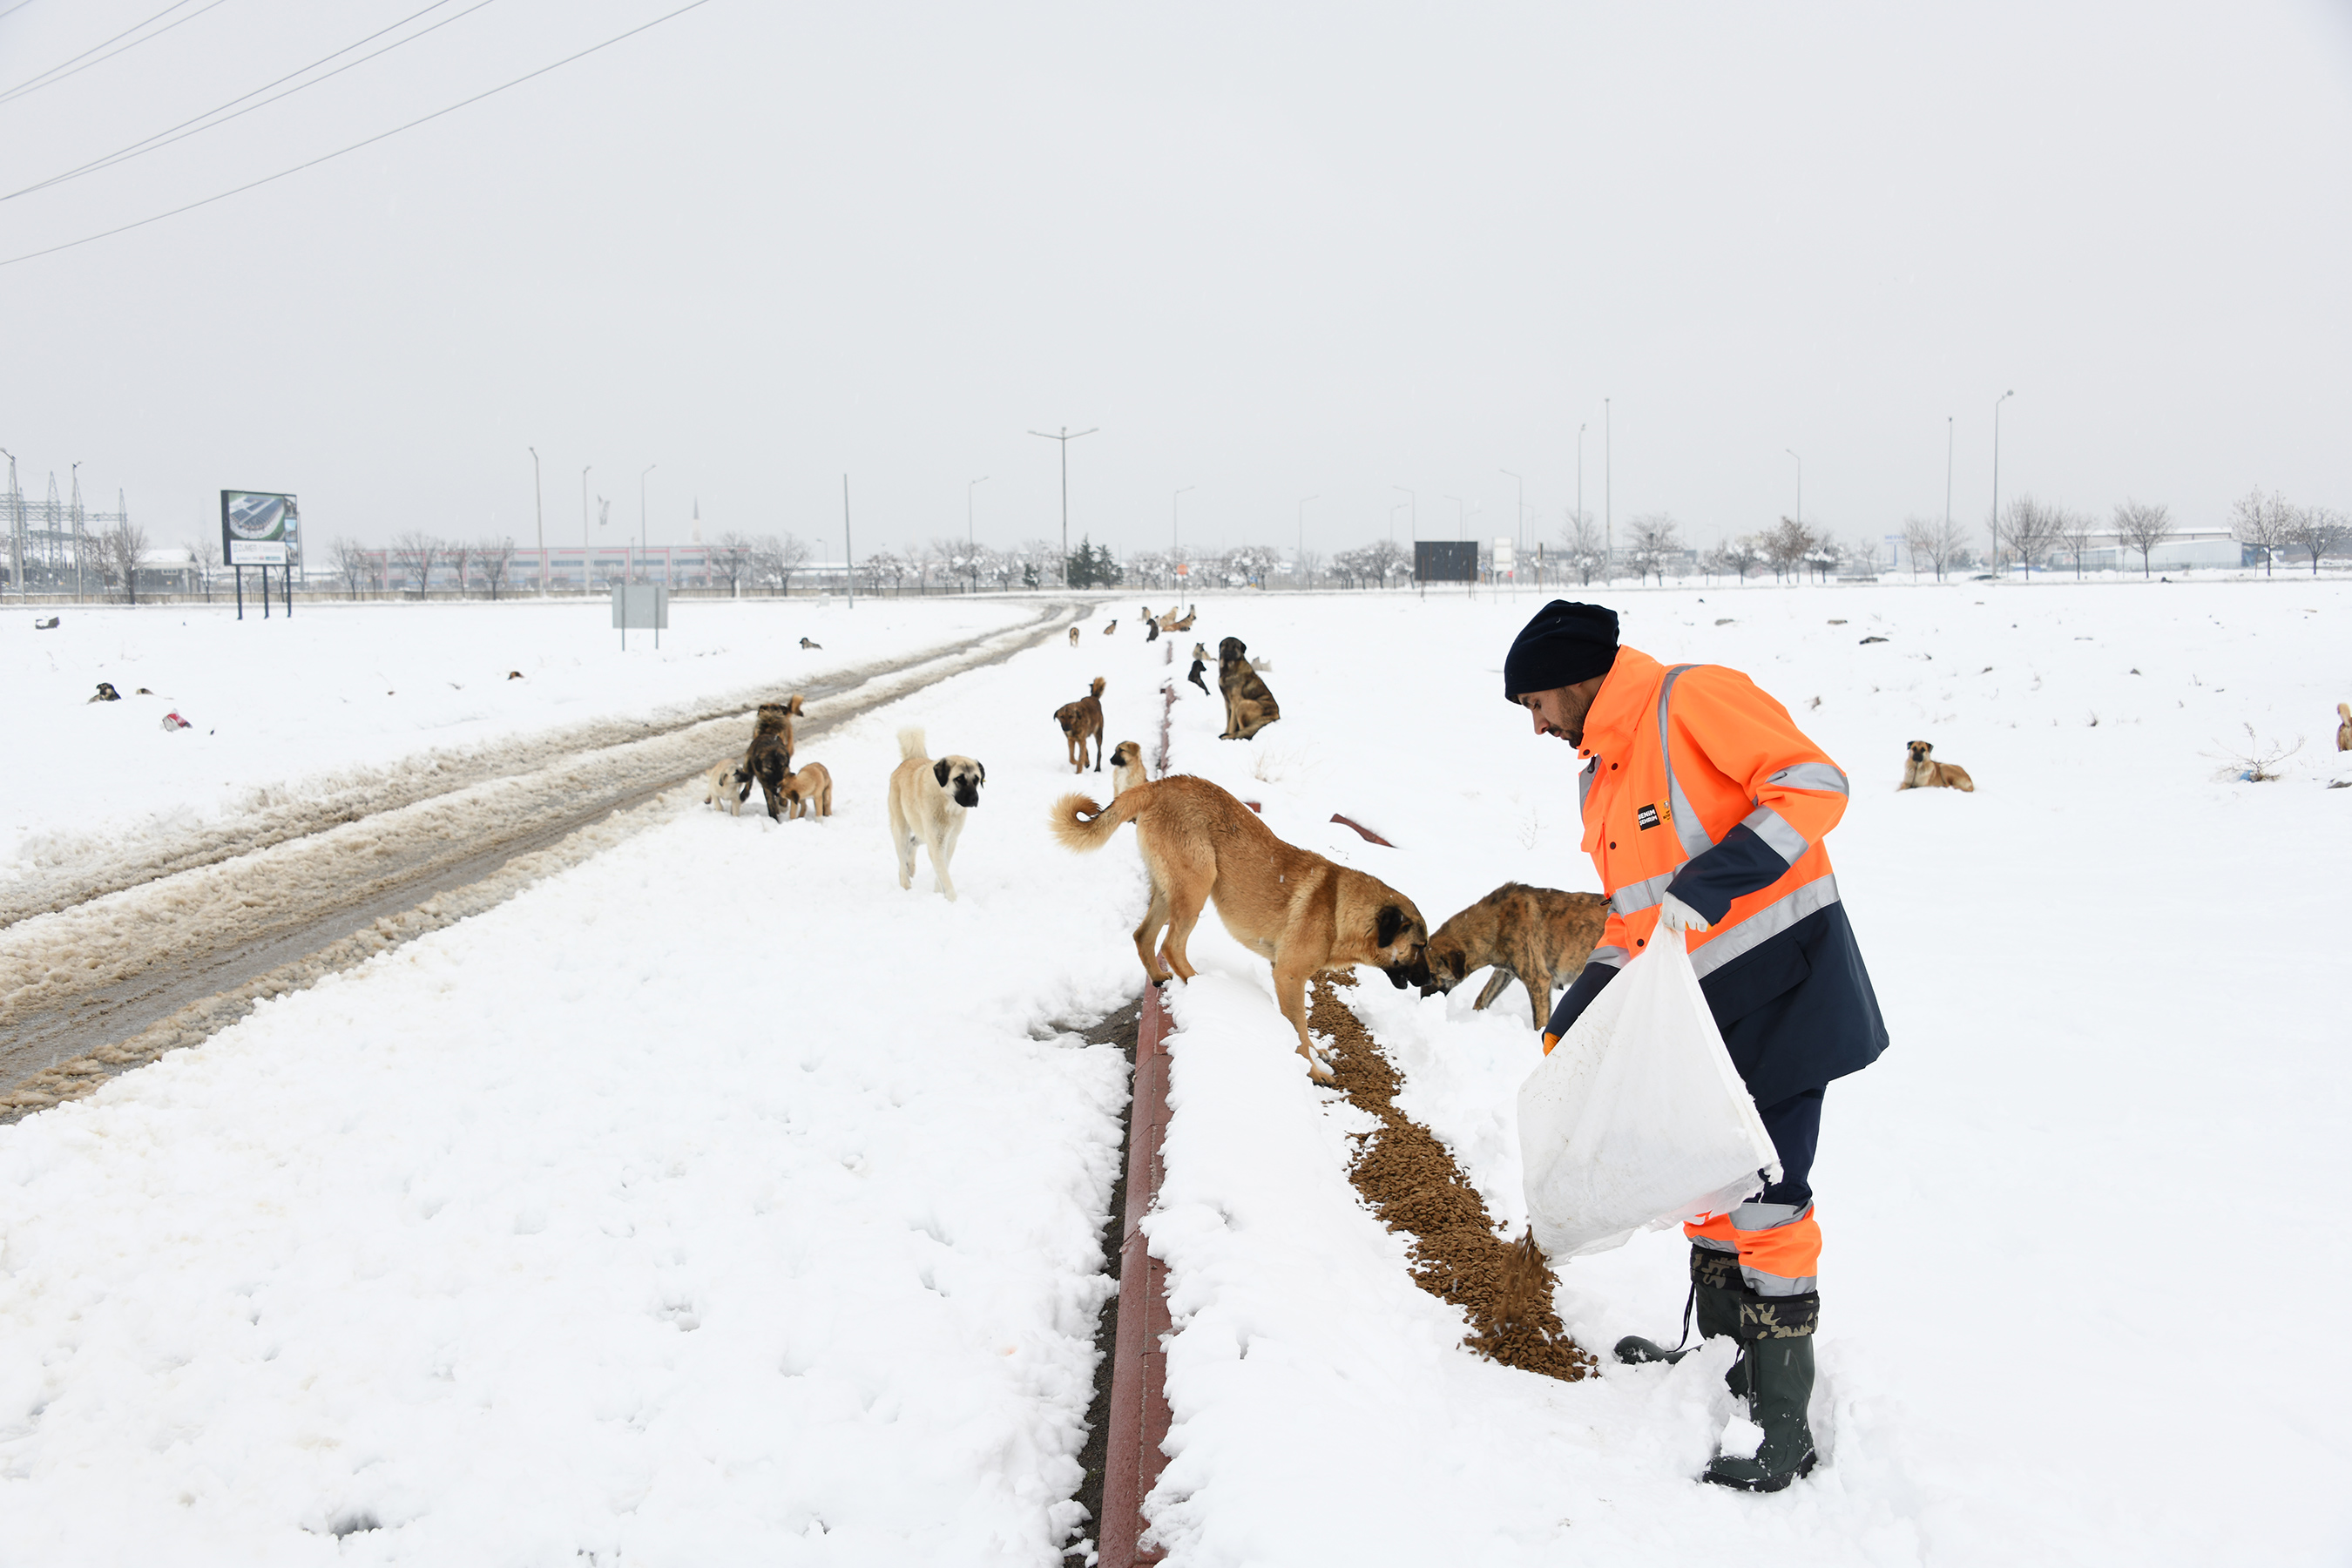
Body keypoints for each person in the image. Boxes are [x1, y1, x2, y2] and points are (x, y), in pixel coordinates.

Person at [1504, 598, 1888, 1494]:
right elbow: (1632, 921)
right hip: (1703, 1016)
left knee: (1771, 1201)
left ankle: (1784, 1418)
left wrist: (1715, 880)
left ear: (1577, 678)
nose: (1536, 724)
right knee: (1709, 1188)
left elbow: (1814, 786)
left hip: (1788, 989)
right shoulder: (1600, 777)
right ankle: (1720, 1358)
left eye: (1538, 703)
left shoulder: (1692, 700)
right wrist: (1578, 1013)